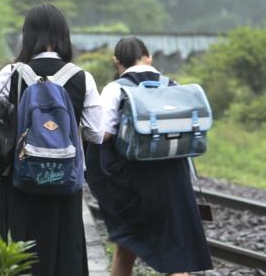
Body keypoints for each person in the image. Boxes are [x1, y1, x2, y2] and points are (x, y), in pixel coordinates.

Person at [0, 4, 103, 276]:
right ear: (64, 35)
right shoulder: (82, 78)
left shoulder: (11, 73)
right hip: (65, 181)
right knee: (64, 254)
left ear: (28, 35)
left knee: (14, 254)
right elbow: (96, 133)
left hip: (19, 179)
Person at [85, 37, 212, 276]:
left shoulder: (116, 88)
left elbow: (102, 136)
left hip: (133, 181)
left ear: (116, 61)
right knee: (176, 256)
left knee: (126, 246)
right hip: (173, 178)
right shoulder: (171, 85)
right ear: (149, 57)